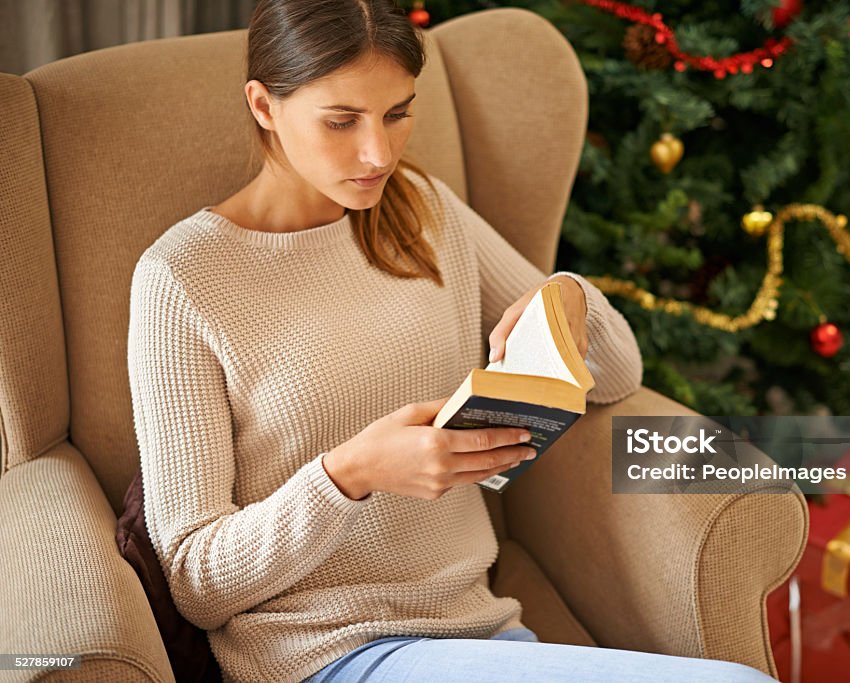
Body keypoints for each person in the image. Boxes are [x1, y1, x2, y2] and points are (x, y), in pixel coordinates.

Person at [126, 1, 776, 681]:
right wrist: (348, 475)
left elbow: (617, 373)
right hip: (323, 657)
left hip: (483, 637)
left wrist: (569, 298)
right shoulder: (182, 278)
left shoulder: (419, 209)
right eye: (341, 121)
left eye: (397, 113)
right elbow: (197, 584)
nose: (378, 152)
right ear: (264, 105)